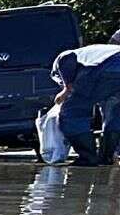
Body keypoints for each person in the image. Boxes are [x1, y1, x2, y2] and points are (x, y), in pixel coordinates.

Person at [51, 31, 120, 165]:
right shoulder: (97, 51)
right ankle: (106, 157)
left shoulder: (61, 59)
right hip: (113, 69)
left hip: (104, 68)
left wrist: (66, 89)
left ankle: (87, 157)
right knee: (114, 113)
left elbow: (67, 59)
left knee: (72, 112)